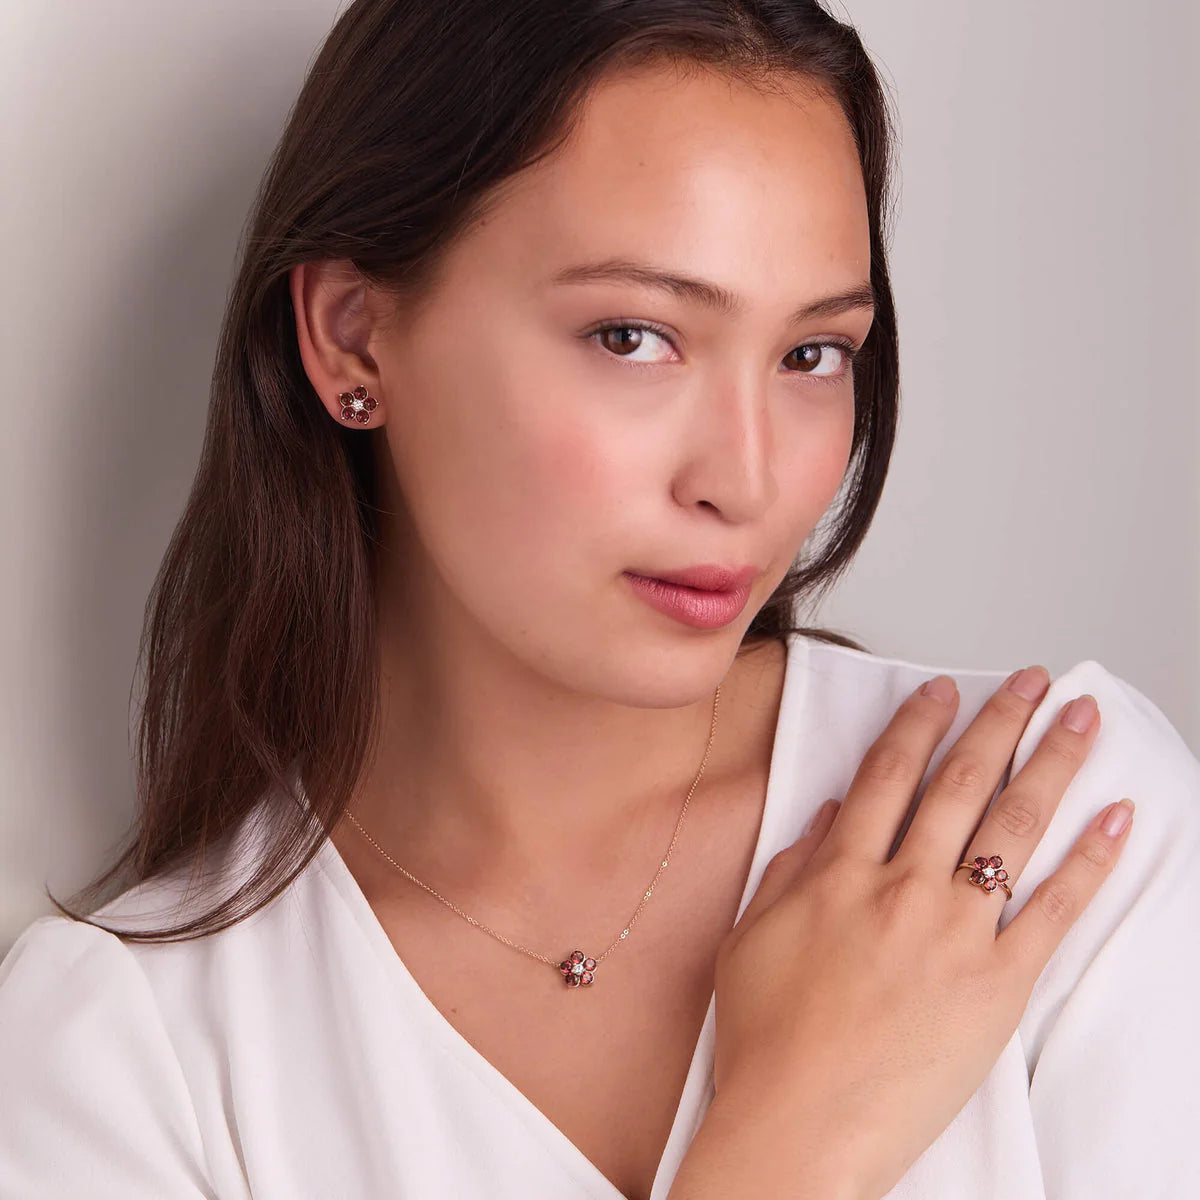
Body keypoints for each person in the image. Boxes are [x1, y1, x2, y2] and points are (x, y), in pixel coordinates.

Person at [1, 1, 1197, 1198]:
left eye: (811, 355)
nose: (745, 481)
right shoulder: (135, 1055)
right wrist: (786, 1149)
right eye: (633, 336)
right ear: (353, 334)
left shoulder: (1066, 838)